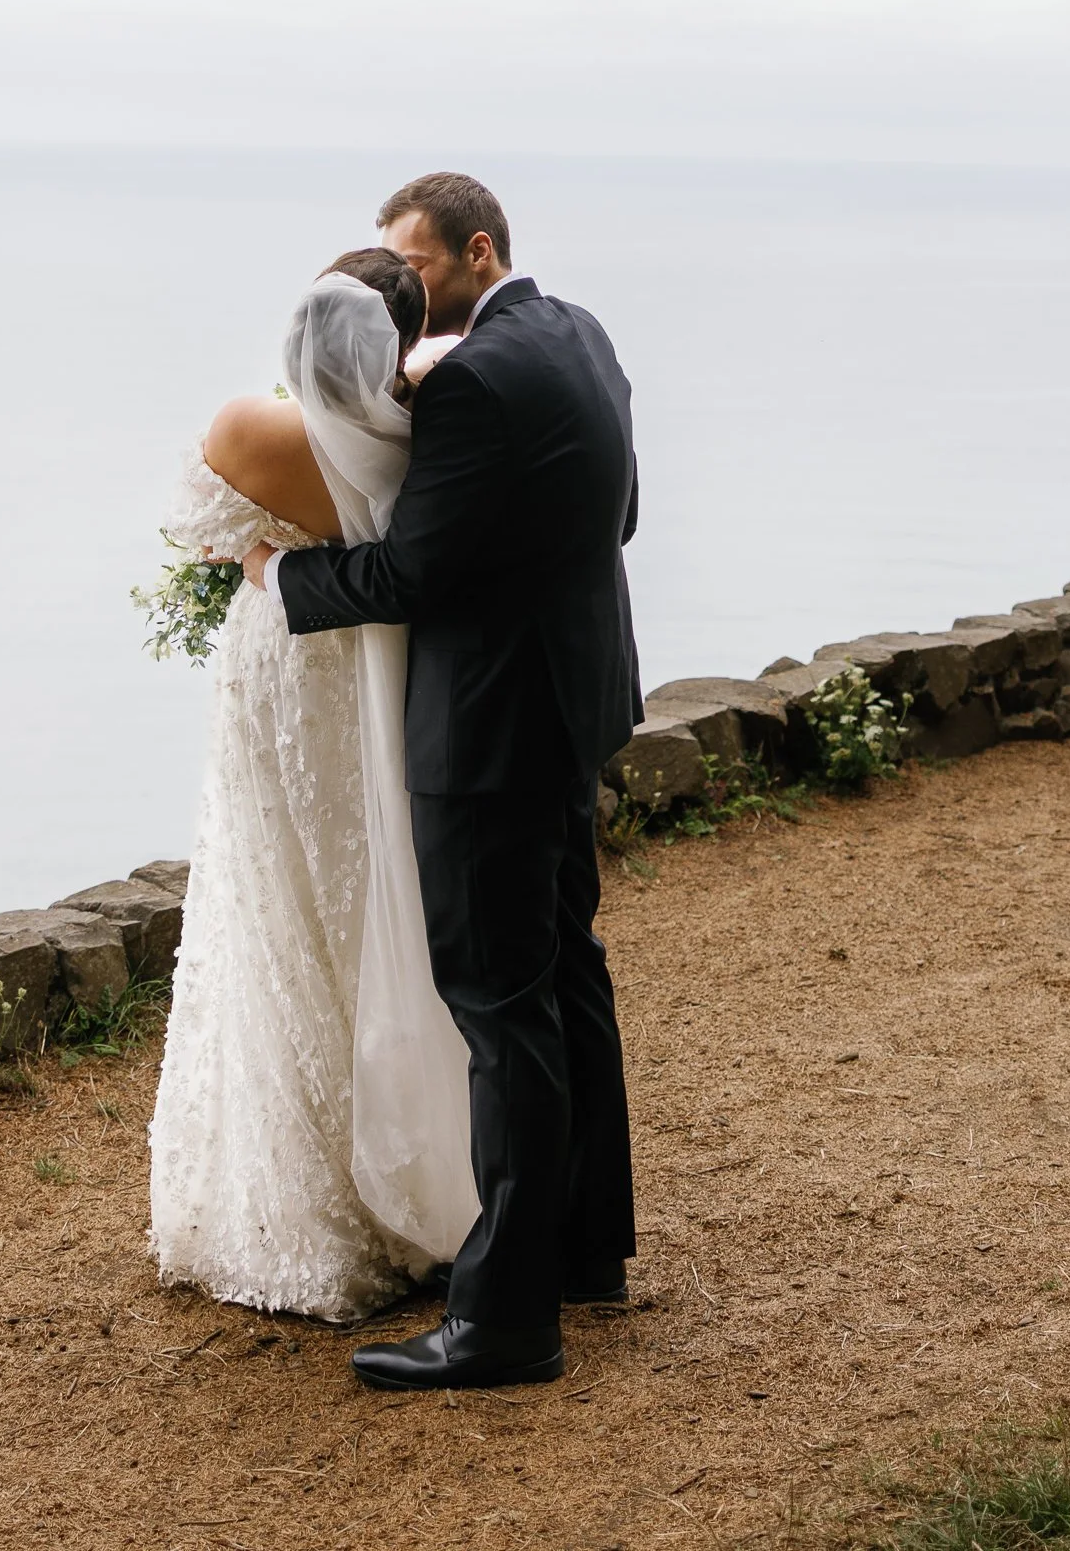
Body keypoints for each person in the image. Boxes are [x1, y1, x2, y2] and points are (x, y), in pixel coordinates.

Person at [246, 170, 642, 1394]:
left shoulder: (471, 384)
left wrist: (277, 580)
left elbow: (409, 575)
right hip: (574, 704)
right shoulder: (576, 334)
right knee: (564, 973)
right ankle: (584, 1248)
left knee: (499, 1008)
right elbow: (617, 517)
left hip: (489, 735)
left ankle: (506, 1321)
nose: (399, 292)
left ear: (476, 253)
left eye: (413, 268)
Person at [149, 248, 478, 1319]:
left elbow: (199, 534)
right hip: (378, 685)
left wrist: (263, 554)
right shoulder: (419, 441)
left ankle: (292, 1201)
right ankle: (408, 1183)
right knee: (370, 908)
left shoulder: (253, 428)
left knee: (274, 910)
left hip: (279, 679)